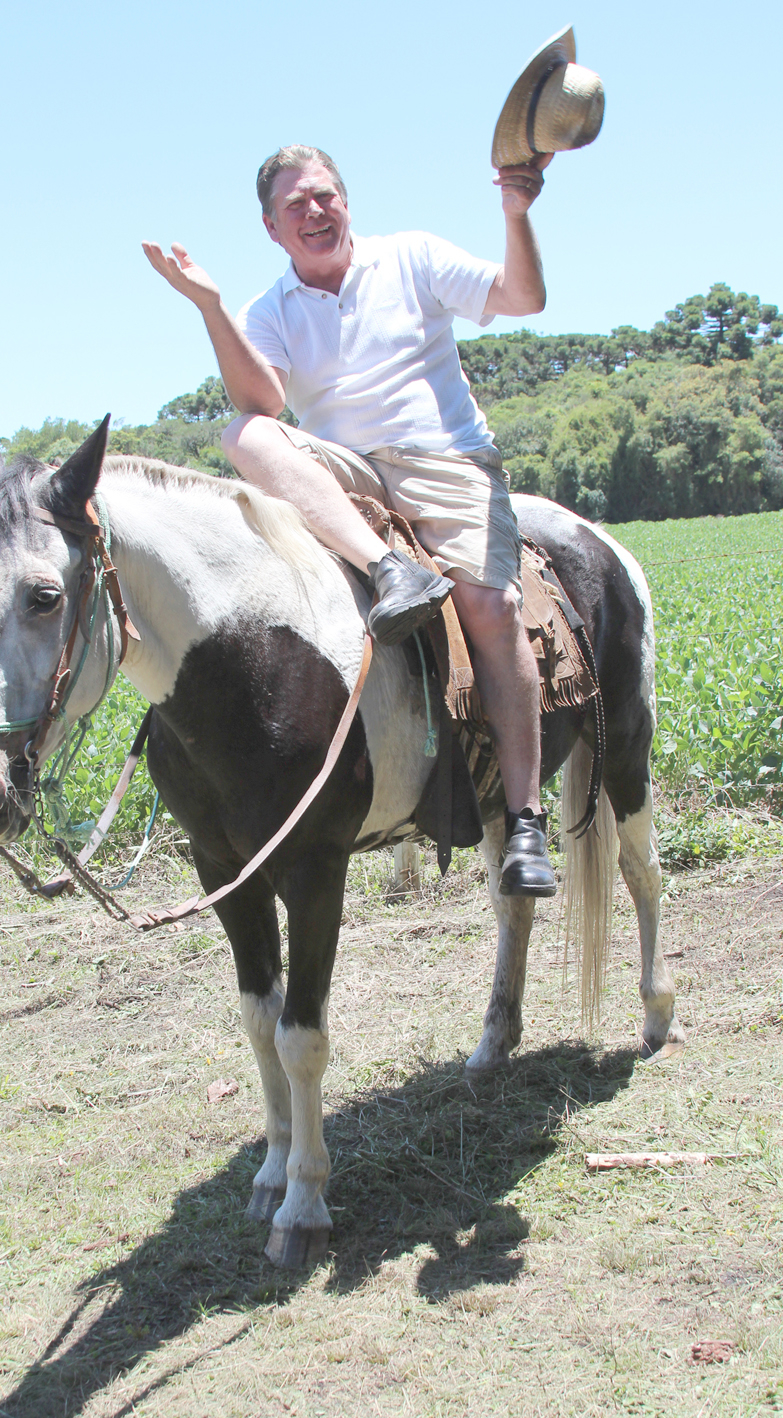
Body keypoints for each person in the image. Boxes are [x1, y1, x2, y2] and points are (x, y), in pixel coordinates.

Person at [142, 144, 556, 896]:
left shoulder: (412, 257)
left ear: (347, 202)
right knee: (245, 434)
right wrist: (209, 306)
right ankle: (384, 567)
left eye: (325, 195)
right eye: (295, 205)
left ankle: (525, 819)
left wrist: (516, 212)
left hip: (446, 459)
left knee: (493, 608)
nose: (315, 211)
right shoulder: (270, 311)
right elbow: (262, 403)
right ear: (272, 229)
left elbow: (523, 297)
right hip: (347, 476)